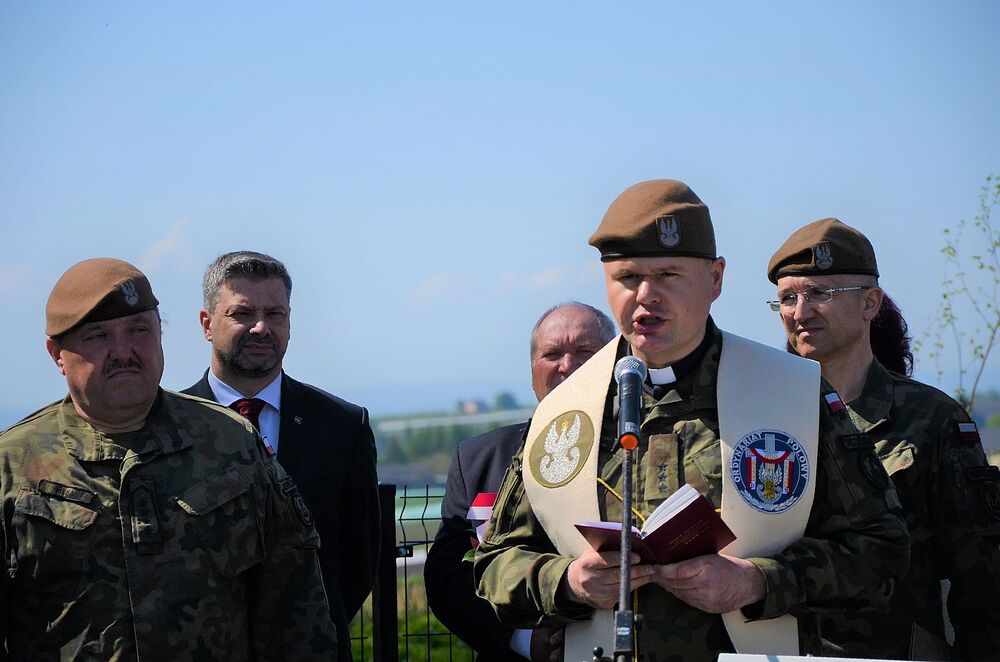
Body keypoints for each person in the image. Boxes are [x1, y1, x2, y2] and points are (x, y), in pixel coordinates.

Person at [474, 180, 910, 662]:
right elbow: (492, 565)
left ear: (716, 279)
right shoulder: (562, 409)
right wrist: (567, 581)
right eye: (626, 277)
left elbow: (882, 552)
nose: (645, 295)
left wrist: (757, 582)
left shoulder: (792, 392)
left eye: (669, 274)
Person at [0, 257, 337, 660]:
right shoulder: (13, 466)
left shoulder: (231, 442)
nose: (123, 352)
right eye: (98, 336)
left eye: (139, 330)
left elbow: (296, 610)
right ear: (57, 353)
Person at [767, 218, 1000, 661]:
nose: (801, 313)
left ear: (870, 303)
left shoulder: (932, 419)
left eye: (821, 294)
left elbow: (982, 584)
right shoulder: (760, 415)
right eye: (788, 298)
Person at [183, 251, 379, 662]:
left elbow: (358, 561)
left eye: (275, 314)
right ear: (206, 324)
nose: (261, 327)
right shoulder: (171, 428)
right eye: (243, 313)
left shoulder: (343, 426)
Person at [425, 302, 616, 662]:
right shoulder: (477, 460)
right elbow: (448, 578)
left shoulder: (644, 452)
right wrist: (523, 639)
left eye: (584, 351)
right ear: (532, 372)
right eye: (552, 353)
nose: (567, 365)